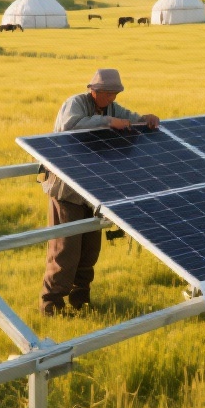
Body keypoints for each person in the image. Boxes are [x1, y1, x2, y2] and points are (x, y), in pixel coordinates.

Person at [39, 68, 160, 315]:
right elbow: (70, 125)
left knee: (90, 250)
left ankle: (80, 300)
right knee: (66, 249)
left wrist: (145, 119)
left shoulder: (112, 108)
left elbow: (131, 119)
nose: (112, 99)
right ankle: (51, 304)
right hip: (67, 189)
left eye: (115, 94)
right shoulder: (75, 103)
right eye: (108, 94)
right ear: (94, 91)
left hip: (93, 190)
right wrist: (107, 122)